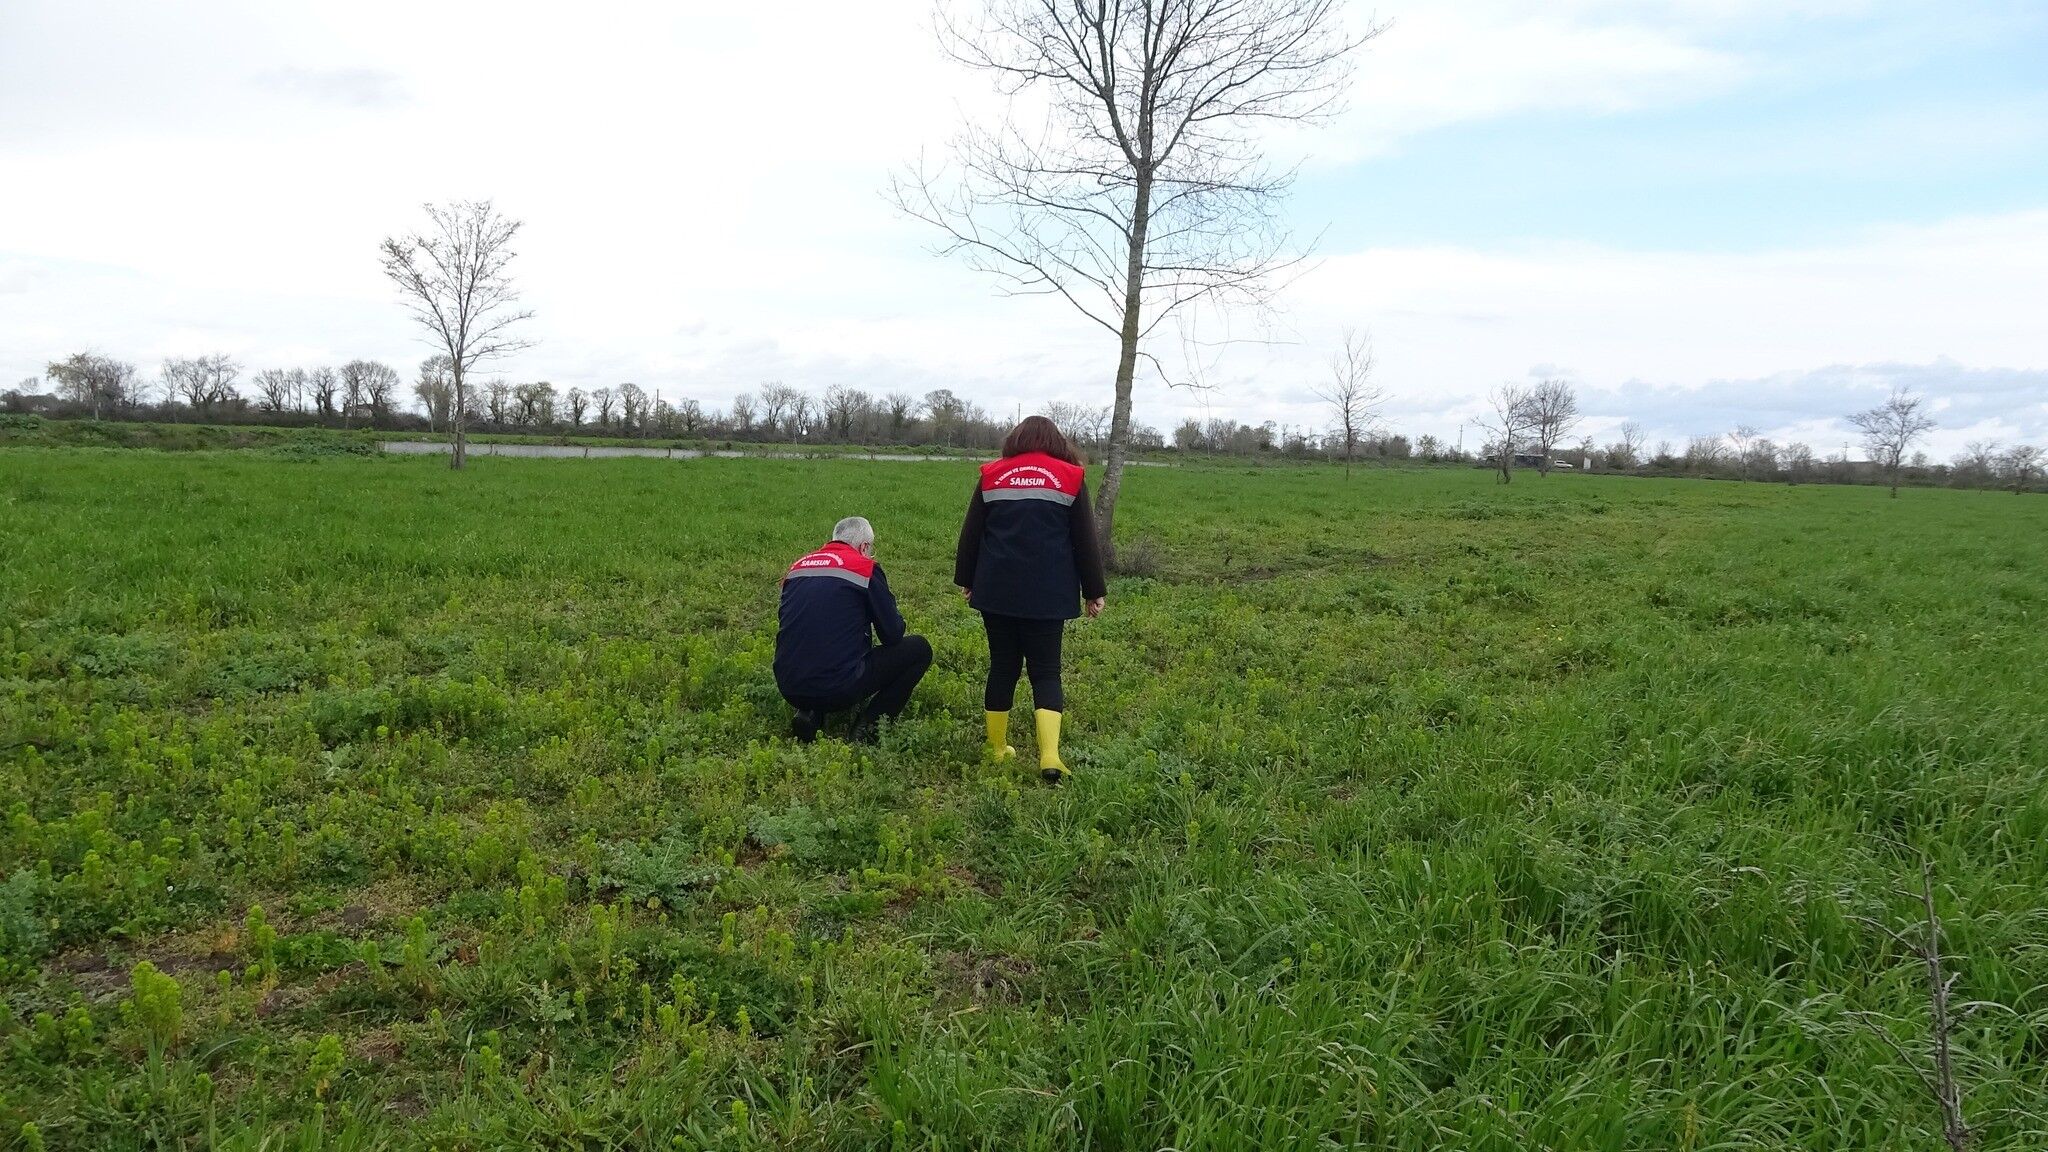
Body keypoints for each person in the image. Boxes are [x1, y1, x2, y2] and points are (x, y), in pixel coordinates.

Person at [954, 416, 1108, 783]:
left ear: (1017, 440)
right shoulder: (1070, 477)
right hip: (1048, 594)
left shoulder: (992, 474)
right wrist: (1094, 590)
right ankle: (1050, 757)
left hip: (996, 591)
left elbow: (971, 532)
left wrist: (967, 580)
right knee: (1047, 672)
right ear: (1056, 441)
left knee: (1002, 666)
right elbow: (1085, 539)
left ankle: (996, 750)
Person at [774, 516, 932, 743]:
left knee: (816, 636)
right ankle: (870, 726)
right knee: (919, 649)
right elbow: (892, 634)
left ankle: (809, 712)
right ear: (864, 546)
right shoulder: (865, 568)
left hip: (789, 684)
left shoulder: (798, 567)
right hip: (838, 686)